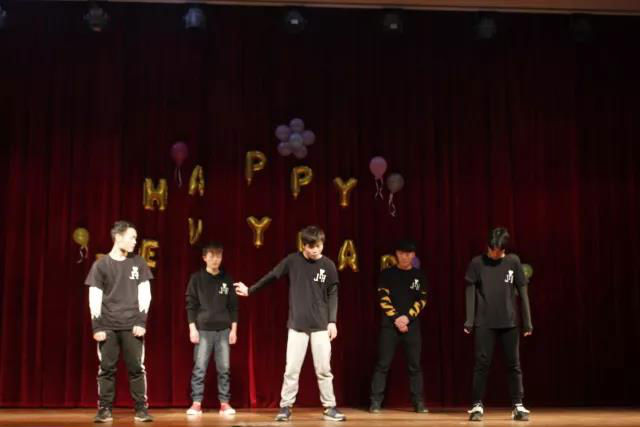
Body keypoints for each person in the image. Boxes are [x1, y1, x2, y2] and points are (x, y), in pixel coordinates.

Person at [234, 225, 346, 422]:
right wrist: (250, 290)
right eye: (312, 246)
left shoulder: (328, 265)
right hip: (297, 325)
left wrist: (332, 321)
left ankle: (330, 407)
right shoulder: (292, 261)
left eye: (319, 246)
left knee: (324, 370)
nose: (316, 250)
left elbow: (333, 294)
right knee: (292, 369)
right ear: (303, 246)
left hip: (321, 325)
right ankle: (285, 407)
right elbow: (272, 275)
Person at [85, 220, 154, 423]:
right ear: (118, 237)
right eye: (132, 237)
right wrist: (97, 326)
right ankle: (104, 409)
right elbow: (94, 296)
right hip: (107, 326)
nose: (135, 241)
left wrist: (141, 321)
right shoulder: (101, 265)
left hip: (133, 325)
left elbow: (145, 294)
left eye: (135, 238)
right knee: (106, 369)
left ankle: (141, 409)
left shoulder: (138, 263)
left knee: (137, 368)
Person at [464, 227, 533, 422]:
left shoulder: (513, 261)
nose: (496, 254)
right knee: (481, 364)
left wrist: (527, 322)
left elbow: (523, 291)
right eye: (493, 250)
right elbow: (470, 291)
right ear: (488, 246)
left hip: (509, 322)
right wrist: (469, 320)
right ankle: (477, 405)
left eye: (499, 251)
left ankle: (518, 405)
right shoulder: (477, 263)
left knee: (514, 364)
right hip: (484, 322)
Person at [369, 239, 429, 413]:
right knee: (382, 364)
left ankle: (418, 403)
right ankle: (375, 402)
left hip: (412, 327)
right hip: (389, 326)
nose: (405, 257)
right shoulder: (387, 274)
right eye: (401, 253)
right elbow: (383, 297)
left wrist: (407, 318)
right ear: (396, 254)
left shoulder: (419, 276)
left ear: (413, 255)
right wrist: (396, 318)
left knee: (415, 366)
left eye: (408, 253)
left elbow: (422, 300)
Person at [185, 242, 238, 416]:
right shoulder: (196, 278)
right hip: (203, 330)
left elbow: (233, 307)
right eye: (212, 256)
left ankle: (224, 403)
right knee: (199, 368)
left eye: (219, 256)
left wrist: (234, 330)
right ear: (204, 258)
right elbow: (190, 305)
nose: (216, 259)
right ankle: (196, 403)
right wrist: (192, 328)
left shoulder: (227, 279)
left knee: (224, 368)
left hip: (223, 330)